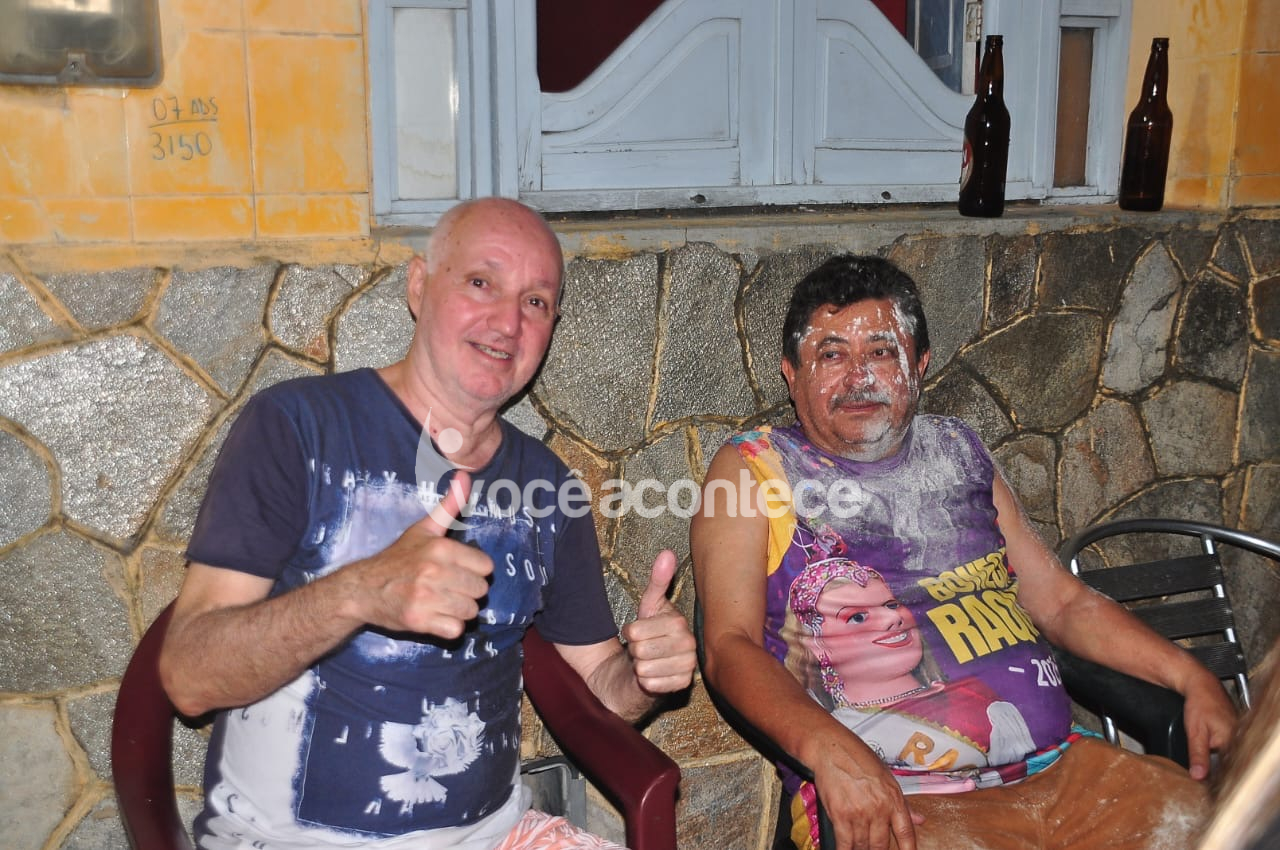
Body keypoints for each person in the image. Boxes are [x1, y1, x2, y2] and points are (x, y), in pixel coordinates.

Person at [158, 197, 698, 850]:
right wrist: (359, 592)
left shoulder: (549, 487)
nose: (508, 322)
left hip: (496, 838)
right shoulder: (297, 427)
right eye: (481, 282)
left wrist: (643, 674)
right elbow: (188, 679)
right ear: (419, 287)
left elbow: (599, 690)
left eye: (535, 302)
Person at [691, 254, 1238, 850]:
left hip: (1069, 775)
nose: (859, 377)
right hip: (907, 801)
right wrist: (825, 748)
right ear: (792, 374)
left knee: (1223, 830)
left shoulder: (958, 451)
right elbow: (728, 646)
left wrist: (1190, 677)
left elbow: (1062, 603)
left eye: (881, 351)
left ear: (920, 365)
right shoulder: (753, 469)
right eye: (831, 355)